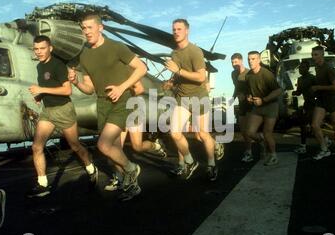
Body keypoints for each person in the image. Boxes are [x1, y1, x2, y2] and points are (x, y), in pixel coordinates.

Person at [68, 14, 147, 200]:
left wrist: (122, 87)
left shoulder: (116, 47)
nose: (86, 32)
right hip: (102, 103)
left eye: (90, 27)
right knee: (114, 151)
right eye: (83, 28)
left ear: (100, 28)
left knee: (103, 145)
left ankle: (131, 169)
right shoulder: (84, 55)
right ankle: (132, 187)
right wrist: (76, 82)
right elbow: (89, 89)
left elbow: (142, 68)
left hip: (123, 100)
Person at [28, 35, 97, 198]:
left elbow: (67, 91)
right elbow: (48, 86)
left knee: (75, 146)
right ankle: (43, 184)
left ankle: (90, 166)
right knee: (36, 147)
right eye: (36, 49)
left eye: (42, 48)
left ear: (50, 48)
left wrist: (41, 90)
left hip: (63, 110)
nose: (39, 52)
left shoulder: (57, 65)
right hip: (48, 111)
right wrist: (39, 96)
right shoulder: (39, 67)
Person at [165, 19, 218, 181]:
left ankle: (211, 163)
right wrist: (171, 81)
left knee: (203, 134)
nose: (176, 32)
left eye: (179, 29)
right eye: (174, 29)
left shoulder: (195, 51)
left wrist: (178, 70)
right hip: (182, 98)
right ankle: (190, 161)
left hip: (199, 97)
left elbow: (201, 76)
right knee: (174, 132)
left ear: (187, 31)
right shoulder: (174, 53)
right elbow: (177, 74)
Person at [103, 80, 167, 192]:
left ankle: (155, 146)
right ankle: (120, 178)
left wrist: (122, 89)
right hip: (117, 112)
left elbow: (139, 88)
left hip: (133, 110)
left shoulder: (128, 68)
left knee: (137, 146)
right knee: (114, 149)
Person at [311, 46, 335, 160]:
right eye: (313, 55)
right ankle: (324, 149)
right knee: (315, 125)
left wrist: (318, 87)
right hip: (322, 100)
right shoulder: (317, 67)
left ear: (322, 55)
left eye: (316, 55)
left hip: (333, 100)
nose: (313, 57)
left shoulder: (328, 68)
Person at [245, 51, 282, 166]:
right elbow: (249, 92)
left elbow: (279, 90)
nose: (250, 61)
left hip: (270, 105)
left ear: (259, 60)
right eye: (249, 59)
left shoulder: (266, 74)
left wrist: (264, 100)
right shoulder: (248, 75)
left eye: (253, 59)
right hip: (257, 106)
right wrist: (249, 98)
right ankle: (261, 140)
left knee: (267, 133)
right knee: (249, 132)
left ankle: (273, 156)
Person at [231, 53, 253, 162]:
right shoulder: (233, 74)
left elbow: (254, 88)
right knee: (243, 131)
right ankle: (249, 150)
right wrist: (232, 98)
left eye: (235, 62)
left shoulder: (249, 73)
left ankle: (258, 146)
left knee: (250, 131)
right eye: (232, 62)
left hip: (250, 104)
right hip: (241, 105)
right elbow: (236, 88)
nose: (234, 64)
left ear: (241, 61)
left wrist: (248, 95)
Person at [291, 60, 316, 153]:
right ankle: (304, 145)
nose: (300, 69)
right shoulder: (300, 79)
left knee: (310, 125)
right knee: (305, 125)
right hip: (307, 104)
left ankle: (304, 146)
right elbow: (299, 92)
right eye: (300, 68)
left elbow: (319, 89)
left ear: (307, 68)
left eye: (303, 67)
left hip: (314, 104)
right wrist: (294, 92)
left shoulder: (313, 78)